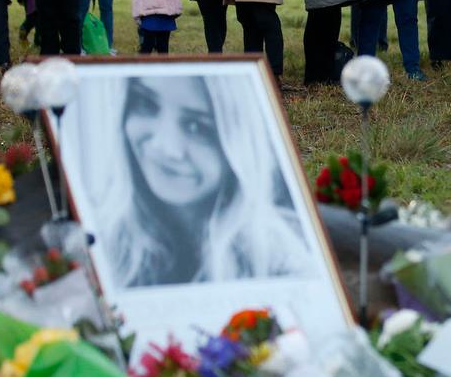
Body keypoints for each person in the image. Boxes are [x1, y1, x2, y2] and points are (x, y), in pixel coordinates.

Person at [95, 74, 312, 287]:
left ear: (238, 146)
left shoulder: (285, 264)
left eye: (196, 127)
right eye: (146, 104)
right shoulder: (93, 242)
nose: (165, 147)